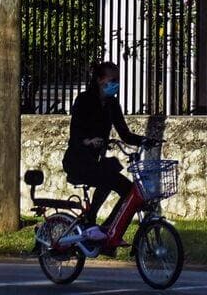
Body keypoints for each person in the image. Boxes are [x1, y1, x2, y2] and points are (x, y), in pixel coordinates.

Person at [62, 61, 145, 243]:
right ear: (100, 80)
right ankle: (97, 224)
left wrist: (145, 140)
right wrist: (88, 141)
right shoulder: (84, 100)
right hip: (78, 161)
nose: (116, 84)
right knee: (113, 178)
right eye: (112, 80)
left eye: (118, 80)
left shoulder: (112, 104)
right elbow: (75, 133)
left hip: (96, 162)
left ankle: (105, 228)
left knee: (125, 187)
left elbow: (124, 133)